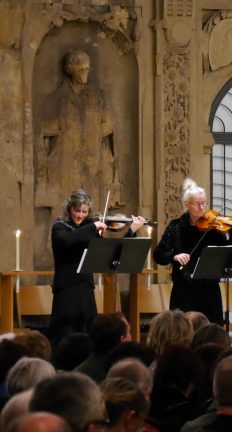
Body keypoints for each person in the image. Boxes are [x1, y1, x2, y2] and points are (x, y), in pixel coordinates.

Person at [50, 189, 143, 347]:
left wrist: (131, 229)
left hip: (86, 289)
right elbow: (66, 241)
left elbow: (111, 253)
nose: (80, 215)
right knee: (66, 338)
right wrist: (92, 227)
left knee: (88, 337)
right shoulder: (60, 227)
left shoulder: (90, 229)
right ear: (69, 208)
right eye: (76, 210)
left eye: (84, 211)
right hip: (66, 291)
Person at [153, 179, 232, 324]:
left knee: (211, 331)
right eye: (197, 204)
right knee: (182, 330)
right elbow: (158, 254)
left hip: (208, 289)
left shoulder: (212, 227)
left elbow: (226, 247)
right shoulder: (176, 226)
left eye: (204, 203)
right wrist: (174, 256)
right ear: (187, 204)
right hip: (184, 289)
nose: (202, 207)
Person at [38, 50, 120, 208]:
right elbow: (44, 128)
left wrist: (91, 134)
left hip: (94, 161)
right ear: (70, 69)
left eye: (87, 69)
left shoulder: (98, 96)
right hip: (65, 162)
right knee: (65, 210)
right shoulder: (57, 97)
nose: (85, 73)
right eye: (81, 69)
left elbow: (109, 125)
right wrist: (66, 128)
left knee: (94, 209)